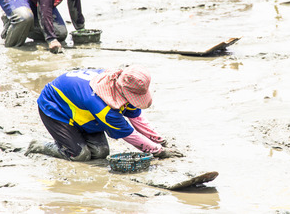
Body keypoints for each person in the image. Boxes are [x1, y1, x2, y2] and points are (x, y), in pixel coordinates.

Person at [25, 65, 182, 161]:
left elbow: (137, 117)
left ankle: (75, 136)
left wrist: (160, 141)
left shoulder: (118, 82)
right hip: (55, 108)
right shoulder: (102, 107)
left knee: (101, 152)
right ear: (124, 91)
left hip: (82, 111)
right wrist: (159, 152)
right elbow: (129, 134)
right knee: (80, 155)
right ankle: (40, 146)